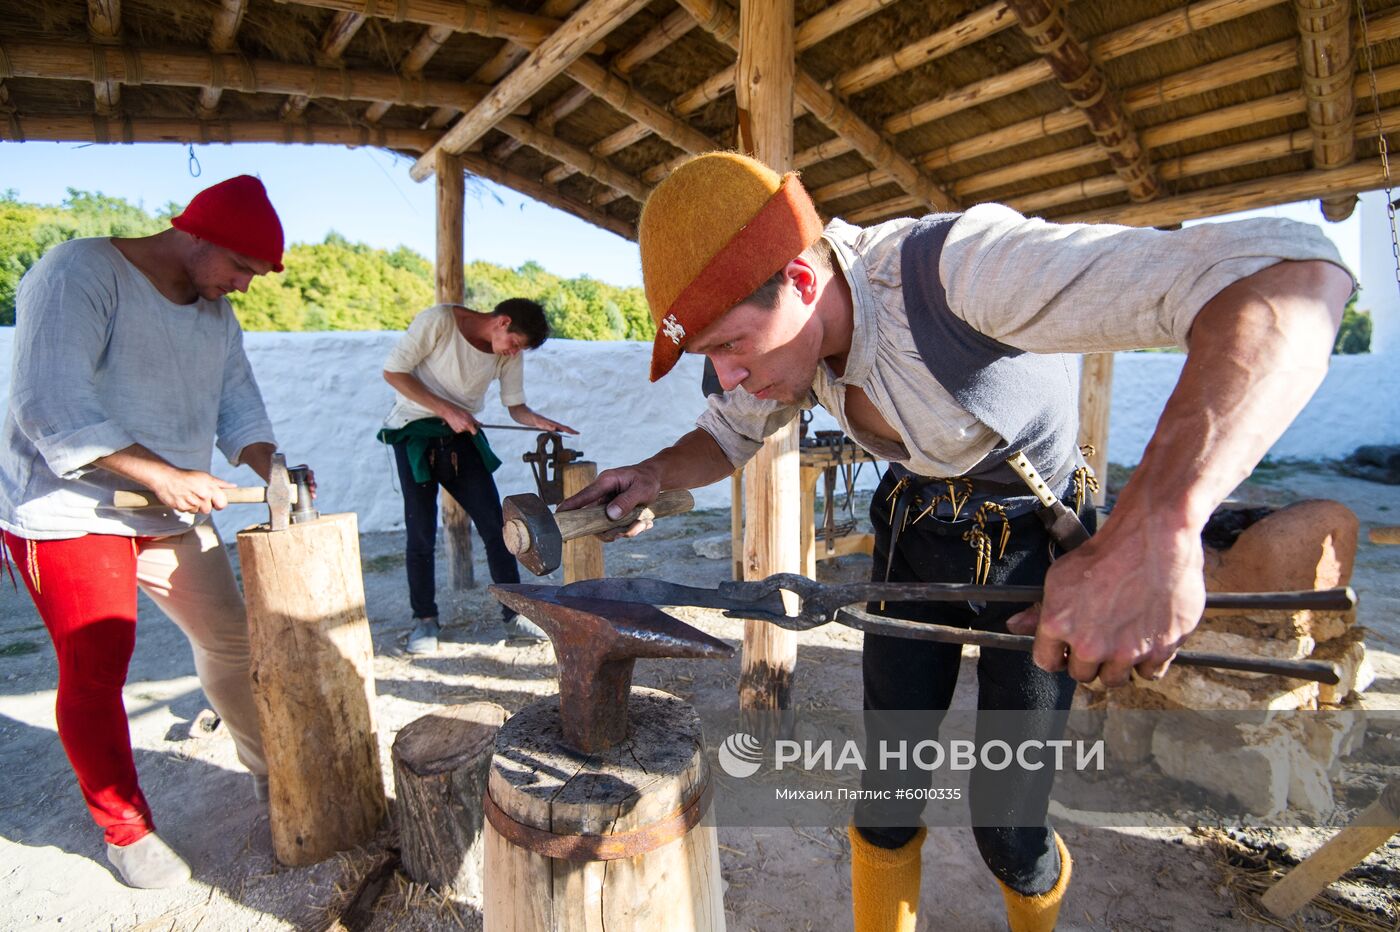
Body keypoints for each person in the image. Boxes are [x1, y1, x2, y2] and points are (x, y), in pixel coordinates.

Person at [559, 151, 1353, 932]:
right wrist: (656, 474)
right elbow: (726, 436)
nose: (728, 376)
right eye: (710, 356)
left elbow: (1292, 271)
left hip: (1038, 545)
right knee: (888, 796)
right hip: (914, 534)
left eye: (730, 345)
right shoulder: (771, 354)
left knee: (1008, 821)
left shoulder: (958, 271)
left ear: (802, 281)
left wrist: (1155, 529)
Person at [0, 174, 312, 889]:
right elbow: (48, 403)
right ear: (197, 234)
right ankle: (125, 829)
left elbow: (240, 408)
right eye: (240, 268)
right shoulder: (81, 270)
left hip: (168, 513)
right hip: (69, 512)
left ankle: (276, 778)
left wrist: (273, 471)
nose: (244, 285)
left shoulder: (215, 313)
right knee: (96, 665)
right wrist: (162, 475)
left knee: (231, 643)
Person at [379, 298, 575, 653]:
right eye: (515, 344)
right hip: (413, 432)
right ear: (502, 322)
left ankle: (514, 614)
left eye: (520, 350)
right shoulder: (438, 322)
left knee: (497, 526)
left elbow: (515, 406)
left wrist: (540, 422)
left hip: (461, 436)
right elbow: (394, 372)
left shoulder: (507, 352)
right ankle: (424, 620)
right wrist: (445, 410)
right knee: (421, 533)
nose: (514, 354)